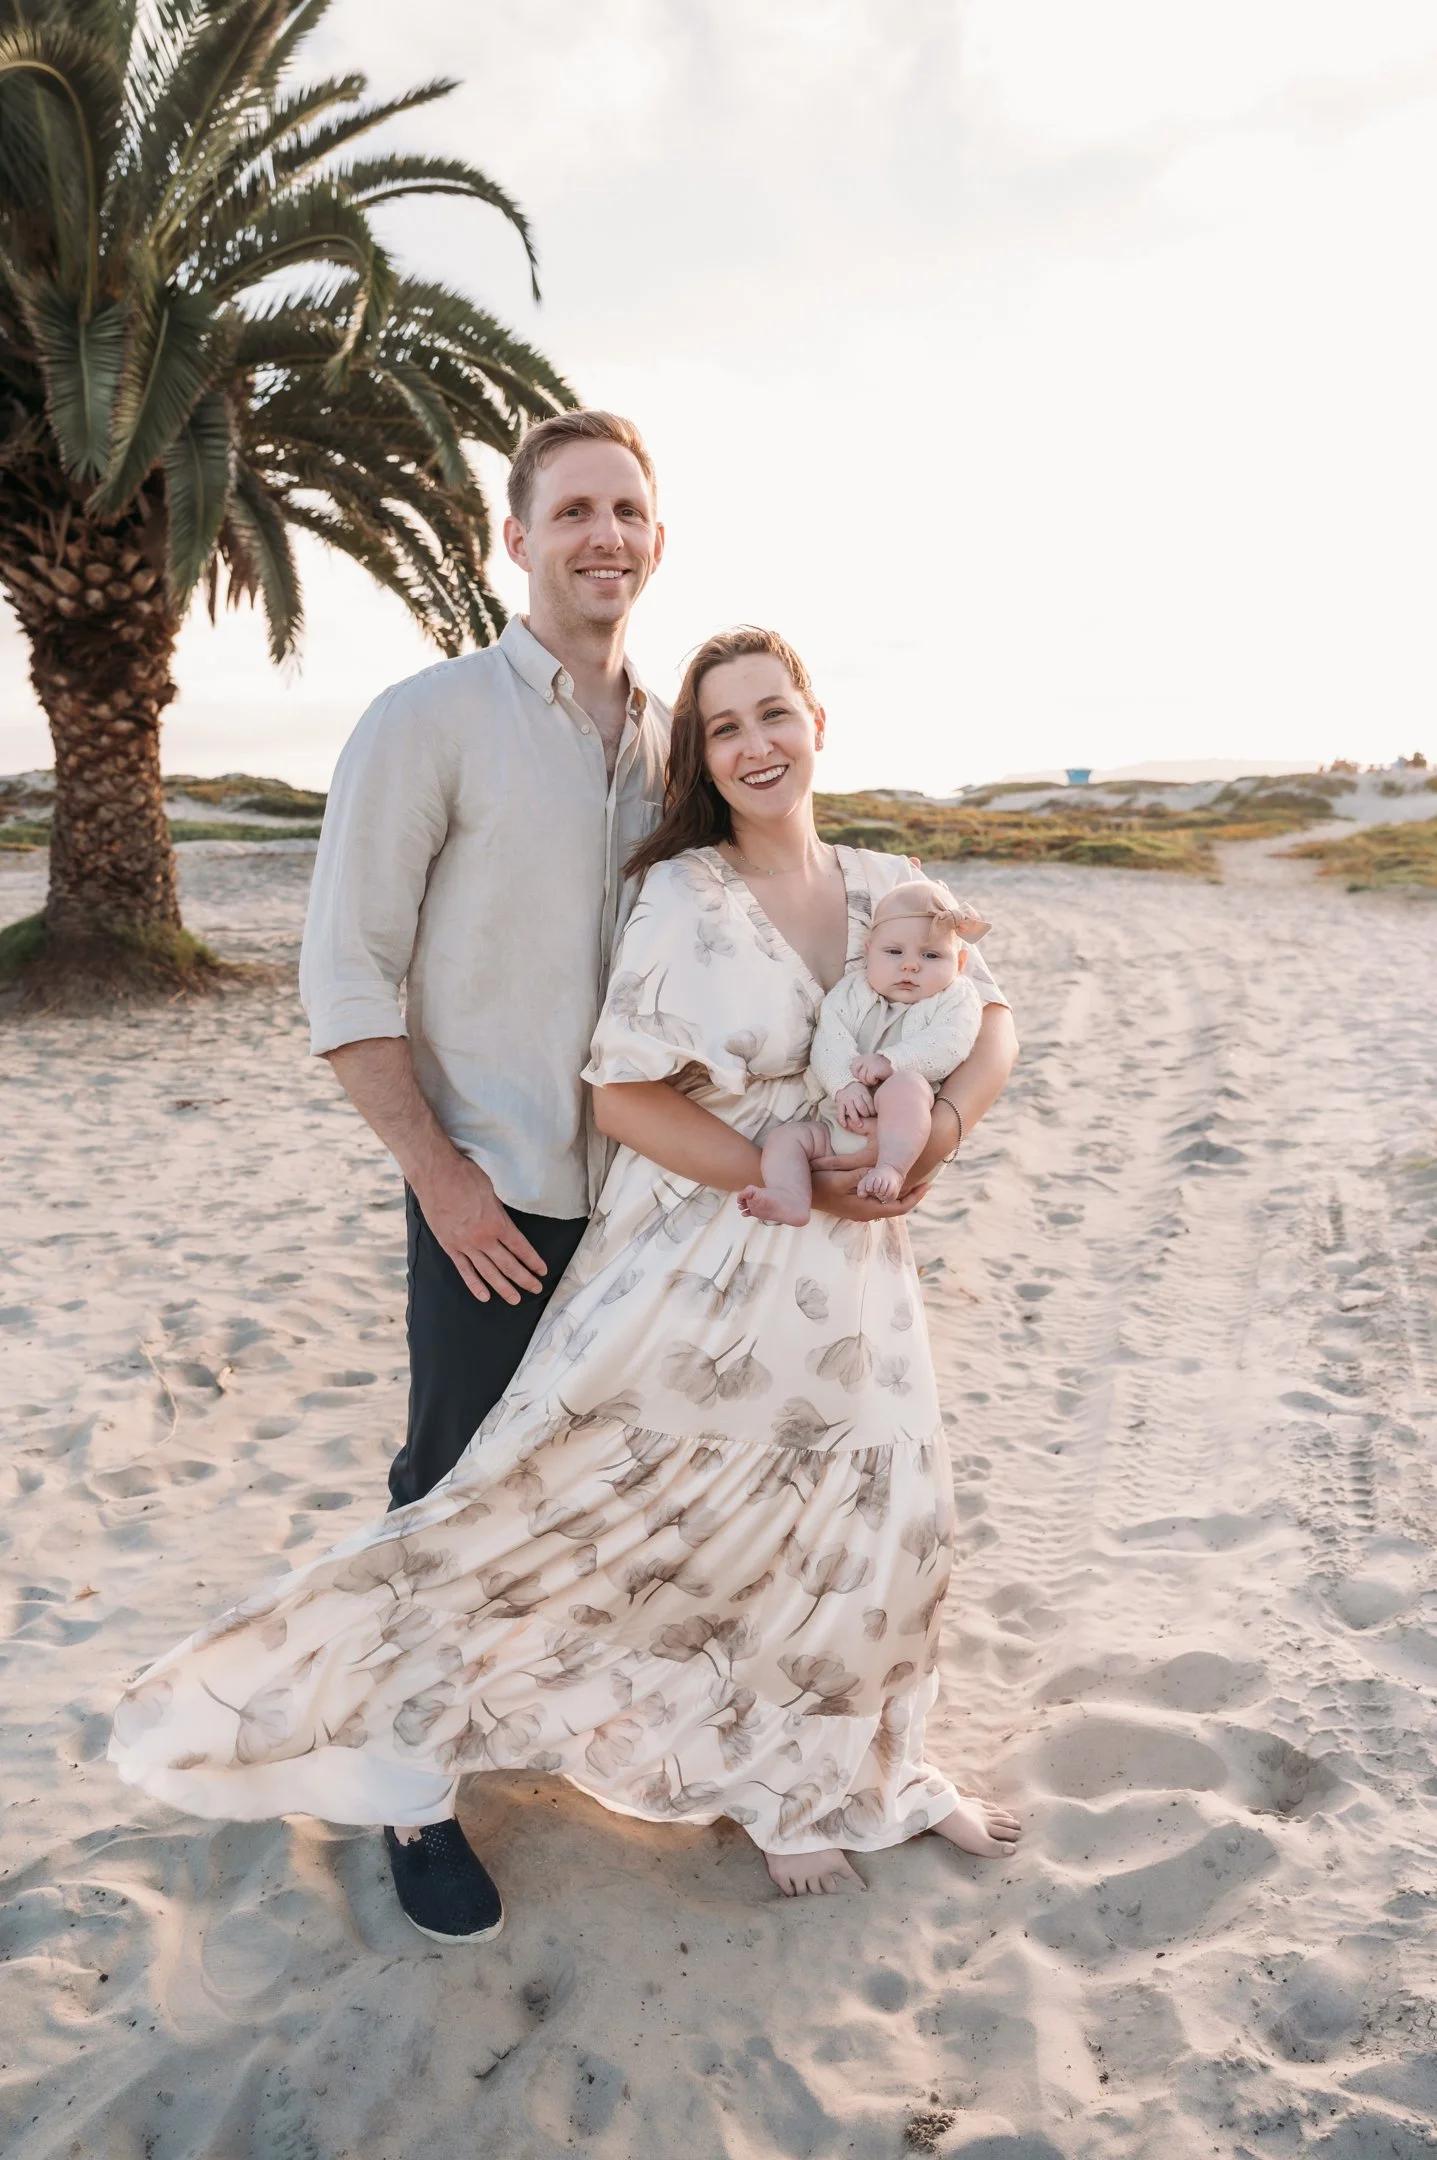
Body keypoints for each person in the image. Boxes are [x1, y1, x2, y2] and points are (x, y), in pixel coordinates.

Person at [111, 624, 1022, 1920]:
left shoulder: (891, 889)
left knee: (874, 1523)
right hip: (717, 1249)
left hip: (864, 1268)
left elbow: (989, 1021)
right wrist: (785, 1173)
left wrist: (942, 1127)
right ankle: (466, 1766)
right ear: (701, 758)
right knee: (677, 1522)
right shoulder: (684, 892)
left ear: (818, 720)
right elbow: (625, 1097)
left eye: (776, 713)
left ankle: (836, 1773)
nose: (757, 743)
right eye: (724, 727)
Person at [738, 879, 986, 1223]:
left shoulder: (956, 998)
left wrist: (893, 1061)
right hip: (836, 1122)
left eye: (931, 956)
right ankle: (791, 1196)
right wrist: (844, 1084)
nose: (910, 965)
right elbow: (830, 1039)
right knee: (786, 1139)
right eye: (894, 952)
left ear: (958, 964)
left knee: (907, 1086)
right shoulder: (852, 991)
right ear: (869, 952)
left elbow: (951, 1043)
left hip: (902, 1133)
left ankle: (890, 1169)